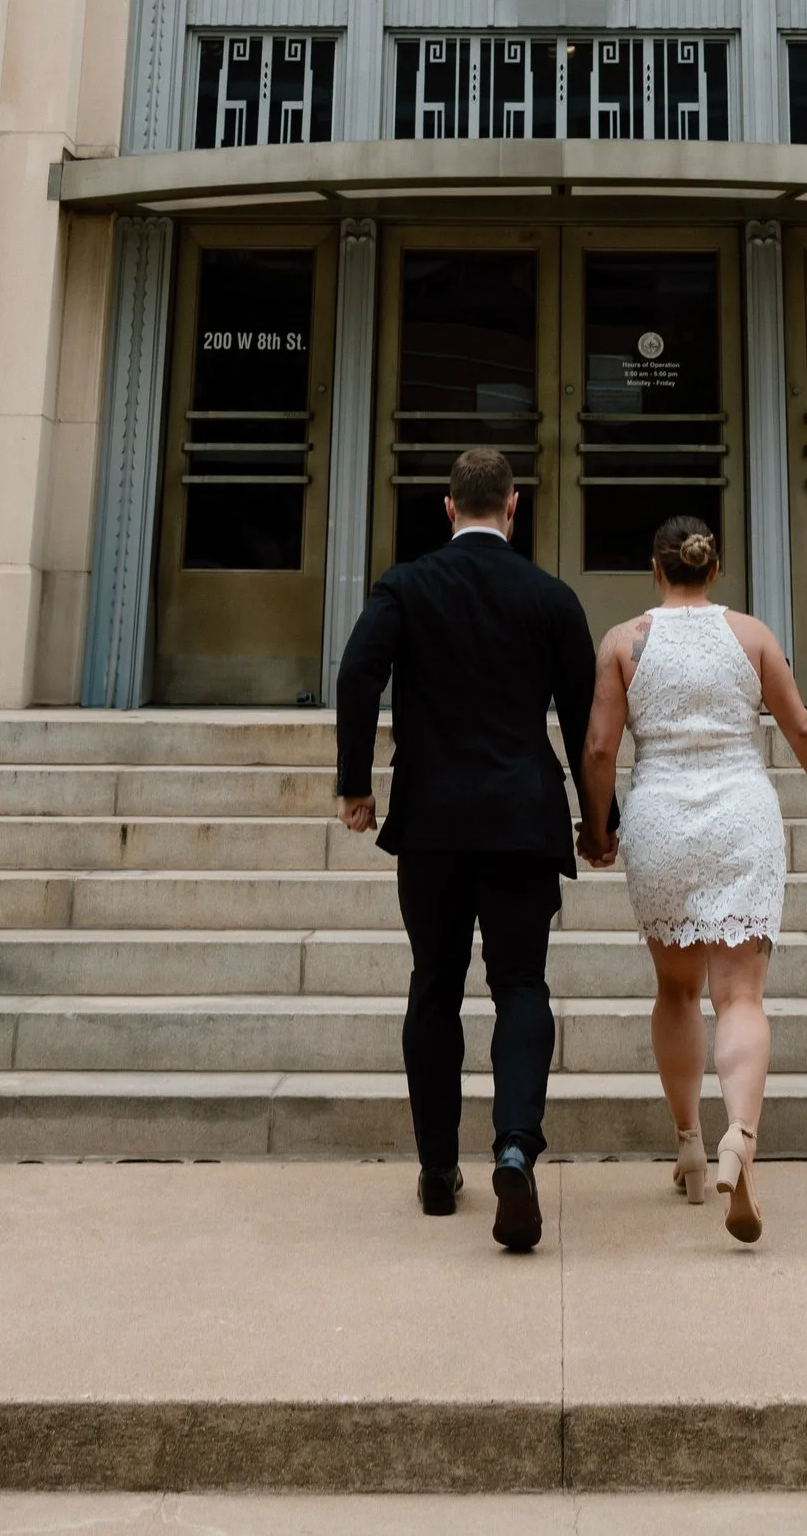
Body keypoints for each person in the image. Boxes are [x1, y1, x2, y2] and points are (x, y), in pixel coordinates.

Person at [335, 441, 604, 1252]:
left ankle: (436, 1171)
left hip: (434, 822)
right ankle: (516, 1146)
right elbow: (589, 724)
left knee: (434, 986)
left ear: (448, 509)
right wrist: (600, 820)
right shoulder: (551, 598)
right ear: (514, 508)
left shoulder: (407, 584)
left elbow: (356, 673)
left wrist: (355, 783)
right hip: (522, 818)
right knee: (521, 983)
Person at [580, 511, 807, 1245]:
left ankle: (690, 1147)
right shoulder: (753, 635)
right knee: (741, 995)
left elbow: (601, 748)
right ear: (714, 569)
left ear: (655, 569)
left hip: (663, 817)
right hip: (742, 815)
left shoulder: (623, 643)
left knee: (676, 988)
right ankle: (742, 1132)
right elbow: (803, 731)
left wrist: (599, 829)